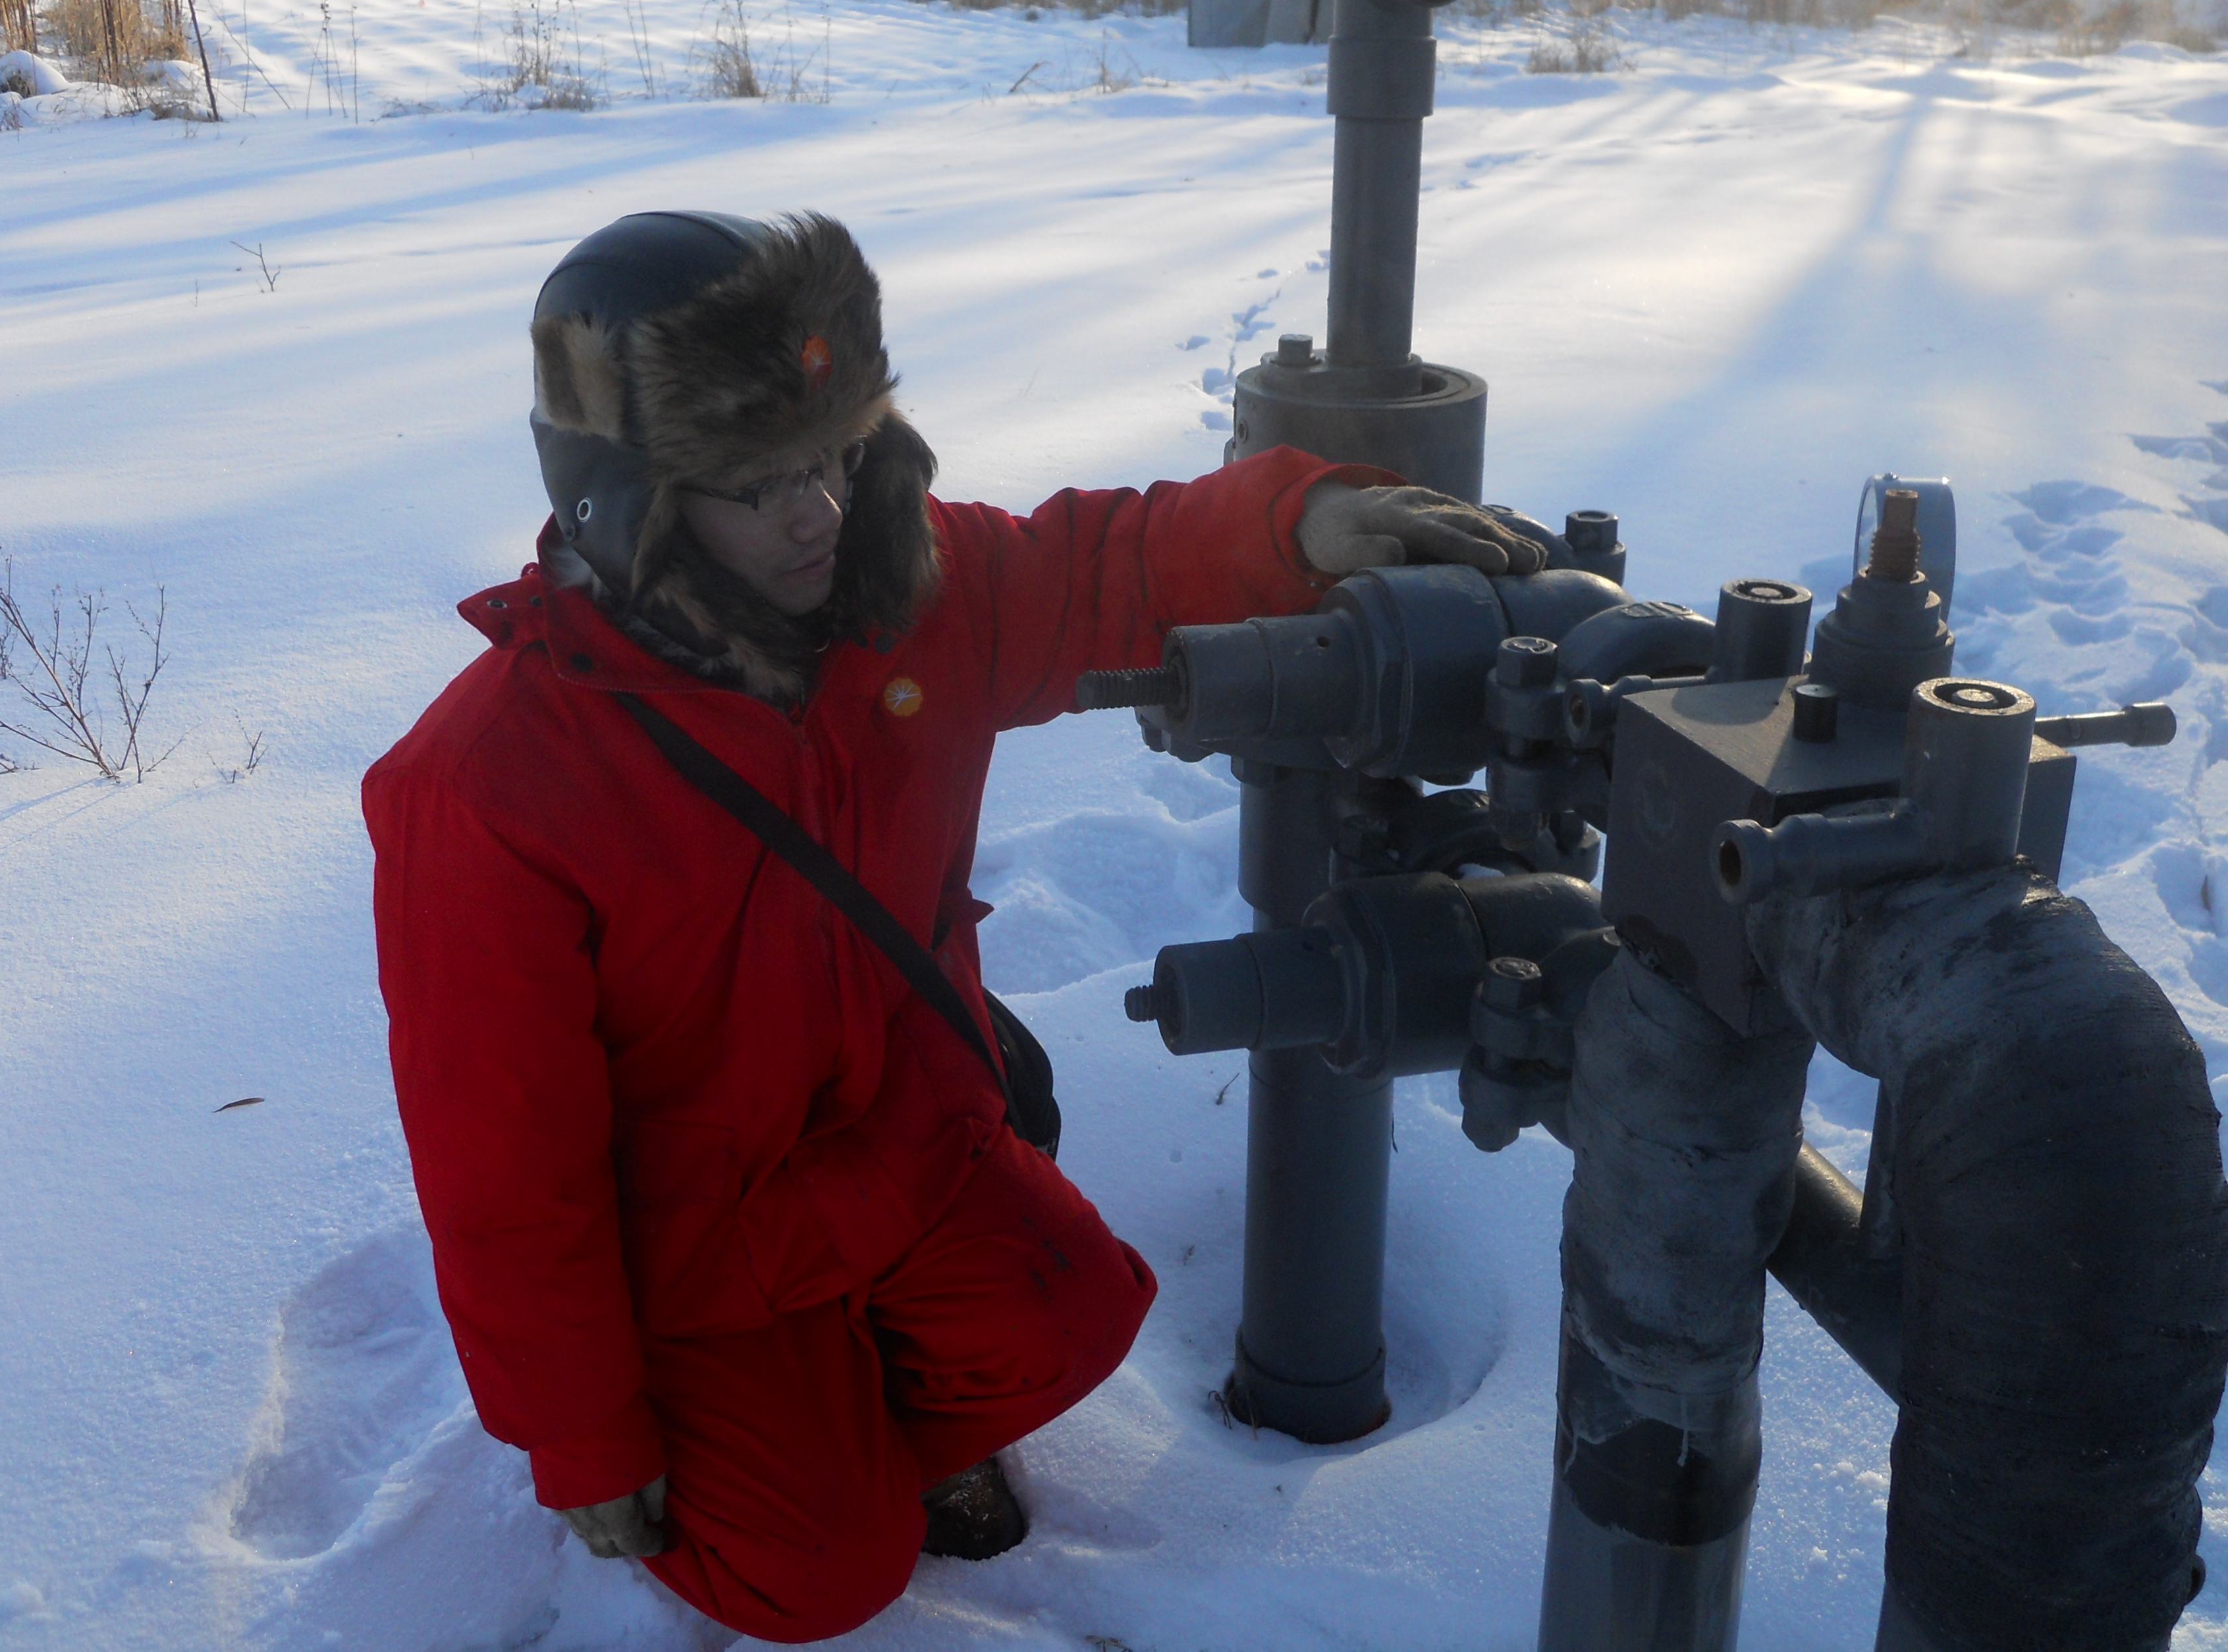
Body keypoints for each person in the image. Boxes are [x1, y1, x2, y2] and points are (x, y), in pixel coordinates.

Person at [362, 210, 1543, 1644]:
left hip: (895, 1132)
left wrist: (1289, 523)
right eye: (756, 481)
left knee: (1076, 1315)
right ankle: (792, 1451)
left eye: (837, 455)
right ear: (631, 497)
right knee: (817, 1572)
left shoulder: (900, 597)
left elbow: (1092, 563)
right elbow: (504, 1173)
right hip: (699, 1244)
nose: (816, 513)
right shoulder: (486, 790)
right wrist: (584, 1440)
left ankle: (849, 1409)